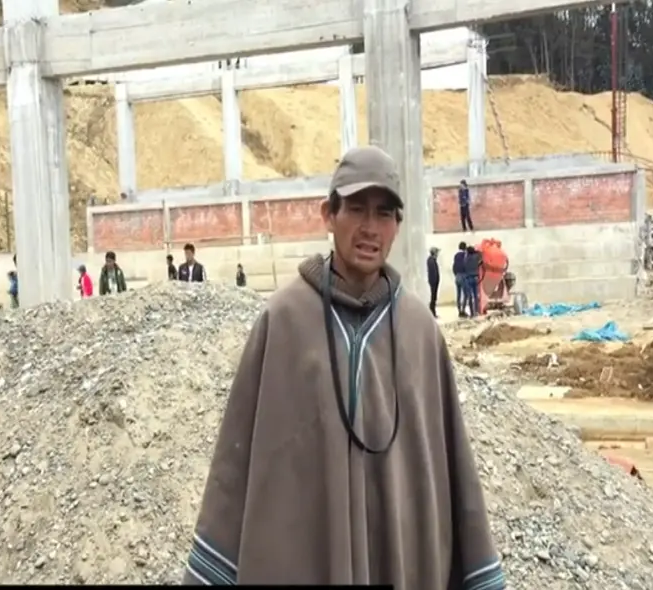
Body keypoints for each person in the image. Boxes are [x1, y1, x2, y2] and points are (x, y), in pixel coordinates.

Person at [182, 146, 503, 587]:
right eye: (355, 209)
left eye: (384, 213)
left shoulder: (419, 332)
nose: (370, 228)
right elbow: (238, 468)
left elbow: (451, 471)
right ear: (327, 214)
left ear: (398, 226)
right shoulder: (284, 322)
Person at [464, 245, 483, 317]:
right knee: (475, 296)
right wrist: (476, 251)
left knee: (470, 296)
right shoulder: (476, 257)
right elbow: (481, 255)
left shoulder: (465, 259)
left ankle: (472, 313)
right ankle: (476, 311)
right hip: (475, 278)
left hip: (468, 278)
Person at [452, 241, 468, 318]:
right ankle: (463, 310)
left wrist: (456, 274)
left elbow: (454, 266)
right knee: (465, 294)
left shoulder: (456, 256)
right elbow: (465, 265)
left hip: (457, 276)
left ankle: (459, 310)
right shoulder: (465, 255)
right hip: (463, 276)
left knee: (458, 295)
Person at [426, 246, 440, 317]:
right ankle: (432, 312)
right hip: (433, 281)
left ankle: (433, 312)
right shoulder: (431, 260)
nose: (438, 254)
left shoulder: (432, 260)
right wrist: (435, 281)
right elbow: (433, 272)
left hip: (434, 281)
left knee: (434, 297)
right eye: (437, 252)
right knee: (433, 297)